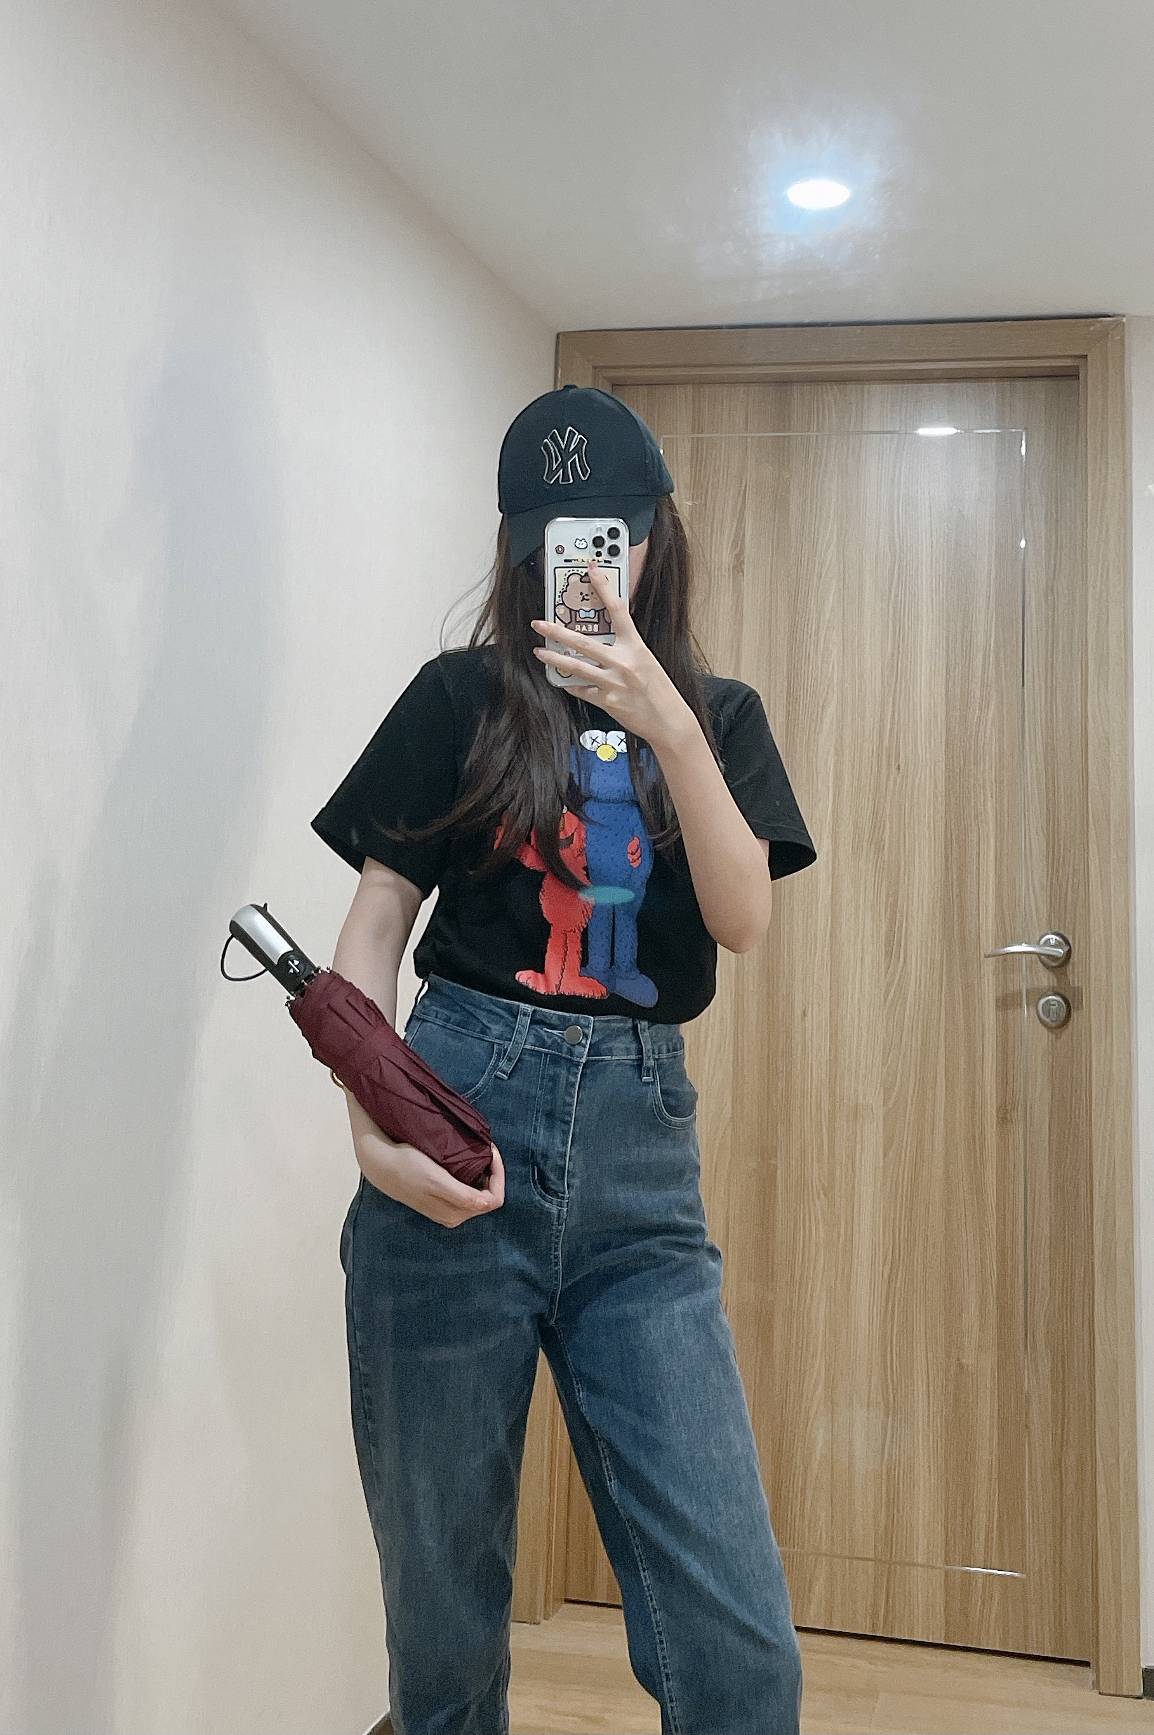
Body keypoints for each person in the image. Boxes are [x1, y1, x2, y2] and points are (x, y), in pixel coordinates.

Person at [313, 385, 817, 1735]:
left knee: (739, 1653)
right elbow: (374, 926)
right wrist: (369, 1119)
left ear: (656, 536)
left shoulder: (720, 716)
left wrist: (665, 719)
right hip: (457, 1121)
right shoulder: (458, 698)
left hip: (639, 1188)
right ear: (518, 547)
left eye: (611, 534)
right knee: (442, 1634)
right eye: (556, 536)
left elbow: (742, 918)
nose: (587, 563)